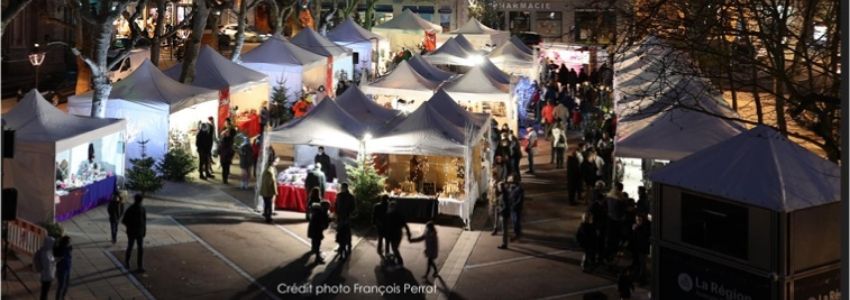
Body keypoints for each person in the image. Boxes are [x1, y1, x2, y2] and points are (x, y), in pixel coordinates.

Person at [123, 194, 147, 272]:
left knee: (138, 248)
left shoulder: (138, 209)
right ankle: (130, 263)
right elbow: (144, 221)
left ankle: (138, 265)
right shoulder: (136, 209)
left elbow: (144, 221)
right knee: (132, 247)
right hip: (134, 231)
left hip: (136, 232)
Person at [383, 201, 410, 266]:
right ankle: (396, 259)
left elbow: (385, 224)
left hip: (393, 233)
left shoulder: (389, 214)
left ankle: (399, 260)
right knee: (395, 247)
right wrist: (408, 233)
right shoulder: (397, 214)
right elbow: (405, 224)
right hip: (396, 233)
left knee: (394, 248)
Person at [335, 183, 356, 259]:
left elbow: (353, 207)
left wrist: (349, 213)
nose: (342, 188)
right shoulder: (339, 195)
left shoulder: (350, 196)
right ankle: (341, 246)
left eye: (343, 187)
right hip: (341, 217)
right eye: (342, 187)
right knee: (341, 232)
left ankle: (348, 245)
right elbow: (336, 205)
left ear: (346, 188)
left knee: (346, 231)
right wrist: (337, 213)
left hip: (346, 217)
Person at [605, 183, 626, 261]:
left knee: (610, 239)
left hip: (610, 220)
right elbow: (622, 211)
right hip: (617, 221)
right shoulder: (621, 199)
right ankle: (611, 255)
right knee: (615, 239)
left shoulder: (609, 196)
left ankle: (608, 255)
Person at [630, 214, 651, 285]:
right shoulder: (637, 227)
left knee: (642, 264)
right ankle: (639, 277)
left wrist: (636, 229)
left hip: (642, 248)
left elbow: (644, 236)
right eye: (636, 220)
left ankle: (642, 279)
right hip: (637, 248)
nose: (637, 221)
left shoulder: (644, 228)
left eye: (639, 220)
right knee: (639, 263)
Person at [34, 236, 55, 300]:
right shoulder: (45, 253)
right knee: (45, 292)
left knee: (44, 292)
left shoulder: (45, 250)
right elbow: (47, 265)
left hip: (47, 275)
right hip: (47, 276)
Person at [259, 157, 279, 223]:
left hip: (265, 189)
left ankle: (265, 214)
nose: (277, 163)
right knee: (269, 204)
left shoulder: (268, 168)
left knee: (266, 203)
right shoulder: (270, 170)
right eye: (276, 161)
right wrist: (275, 191)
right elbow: (272, 182)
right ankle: (268, 217)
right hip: (268, 190)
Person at [53, 236, 72, 300]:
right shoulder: (60, 249)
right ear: (65, 242)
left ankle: (62, 297)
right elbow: (56, 259)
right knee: (61, 286)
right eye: (68, 242)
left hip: (67, 268)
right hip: (61, 269)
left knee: (66, 285)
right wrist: (60, 258)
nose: (69, 243)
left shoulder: (68, 248)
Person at [509, 176, 525, 241]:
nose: (510, 182)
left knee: (516, 221)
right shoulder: (512, 187)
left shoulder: (519, 188)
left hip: (516, 208)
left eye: (512, 181)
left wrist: (515, 205)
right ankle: (517, 233)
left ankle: (517, 234)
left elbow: (520, 199)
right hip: (512, 207)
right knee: (514, 221)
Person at [497, 181, 511, 249]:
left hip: (504, 214)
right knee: (504, 229)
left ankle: (504, 244)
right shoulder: (504, 193)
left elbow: (505, 206)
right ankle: (504, 242)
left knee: (504, 230)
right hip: (504, 213)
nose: (498, 188)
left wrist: (500, 211)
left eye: (499, 187)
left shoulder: (504, 195)